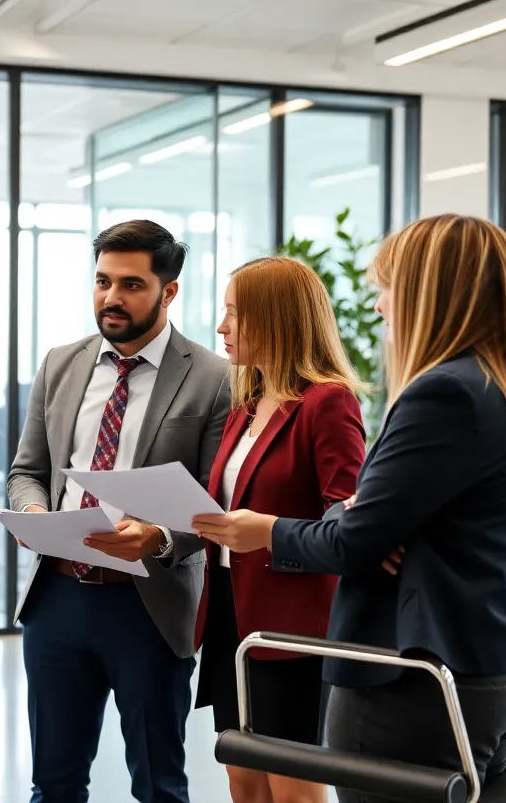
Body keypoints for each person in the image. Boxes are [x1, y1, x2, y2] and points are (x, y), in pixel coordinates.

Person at [192, 215, 506, 802]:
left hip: (414, 670)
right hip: (490, 654)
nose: (381, 307)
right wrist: (362, 520)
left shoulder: (442, 393)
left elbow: (352, 537)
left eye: (387, 290)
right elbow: (365, 519)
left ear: (427, 293)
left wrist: (282, 529)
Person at [8, 219, 230, 803]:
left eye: (131, 284)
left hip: (148, 606)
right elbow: (27, 471)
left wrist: (159, 536)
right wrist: (31, 513)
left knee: (159, 784)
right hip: (56, 600)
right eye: (102, 281)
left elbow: (218, 499)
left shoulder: (213, 378)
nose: (111, 297)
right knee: (53, 782)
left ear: (169, 290)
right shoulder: (61, 364)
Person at [194, 256, 365, 803]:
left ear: (278, 319)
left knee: (292, 786)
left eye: (234, 314)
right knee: (242, 774)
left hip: (293, 628)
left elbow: (347, 523)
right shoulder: (244, 407)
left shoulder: (328, 402)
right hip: (228, 613)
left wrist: (268, 532)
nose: (222, 327)